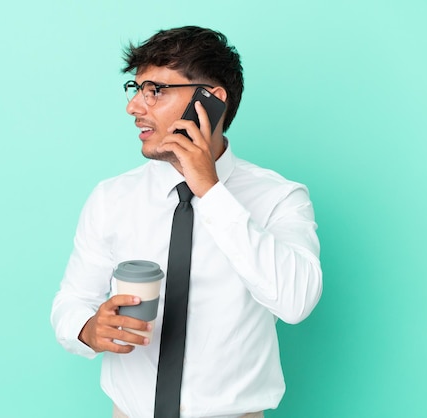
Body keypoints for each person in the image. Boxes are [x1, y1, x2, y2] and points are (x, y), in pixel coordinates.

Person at [51, 26, 322, 418]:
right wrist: (87, 330)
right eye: (136, 87)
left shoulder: (279, 197)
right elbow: (72, 300)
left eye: (155, 90)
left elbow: (296, 301)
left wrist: (210, 191)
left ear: (209, 101)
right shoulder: (112, 198)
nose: (135, 107)